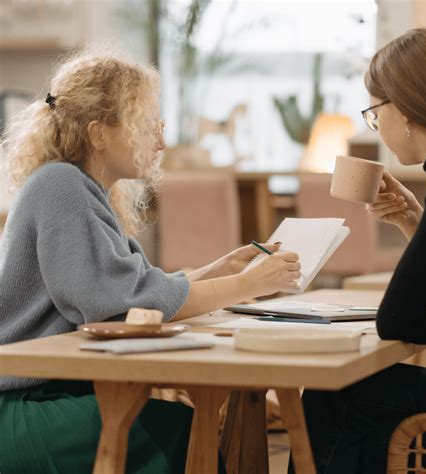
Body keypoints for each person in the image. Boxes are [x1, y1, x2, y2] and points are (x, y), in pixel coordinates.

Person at [0, 49, 301, 473]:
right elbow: (115, 302)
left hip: (46, 395)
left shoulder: (80, 188)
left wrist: (216, 272)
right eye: (145, 126)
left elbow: (132, 285)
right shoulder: (61, 186)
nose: (159, 140)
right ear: (99, 133)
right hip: (20, 408)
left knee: (184, 425)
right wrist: (245, 286)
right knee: (178, 430)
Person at [293, 28, 426, 474]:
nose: (376, 126)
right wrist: (413, 220)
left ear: (406, 108)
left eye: (375, 112)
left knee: (333, 394)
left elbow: (395, 318)